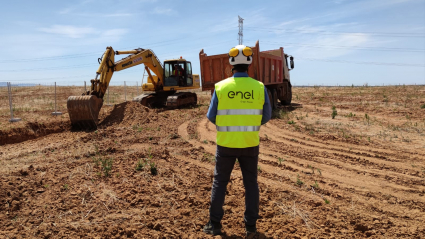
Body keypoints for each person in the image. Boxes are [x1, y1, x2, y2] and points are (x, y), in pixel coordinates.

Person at [203, 45, 272, 236]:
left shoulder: (221, 87)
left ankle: (214, 224)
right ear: (249, 63)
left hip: (226, 143)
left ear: (231, 63)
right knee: (251, 184)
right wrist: (248, 123)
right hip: (250, 143)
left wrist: (228, 124)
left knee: (220, 182)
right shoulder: (259, 87)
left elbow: (211, 116)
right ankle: (250, 227)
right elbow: (266, 116)